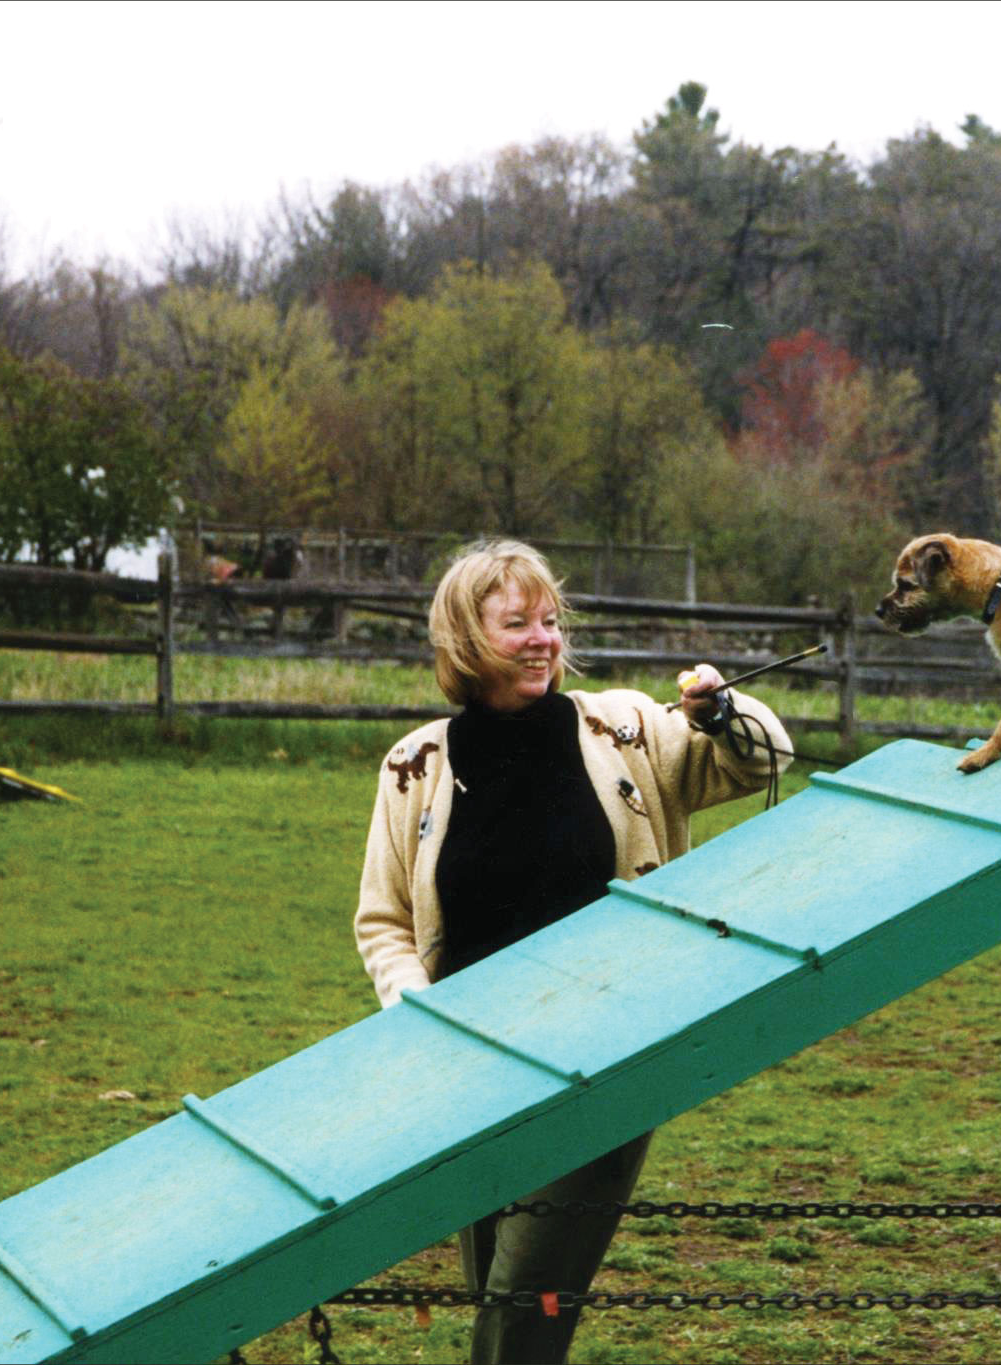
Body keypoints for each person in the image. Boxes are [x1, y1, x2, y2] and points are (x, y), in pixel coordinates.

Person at [353, 538, 791, 1364]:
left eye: (551, 621)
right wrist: (421, 1013)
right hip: (472, 1066)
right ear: (466, 638)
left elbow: (765, 758)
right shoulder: (414, 765)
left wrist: (718, 710)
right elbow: (384, 923)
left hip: (605, 1056)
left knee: (525, 1298)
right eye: (518, 622)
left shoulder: (622, 728)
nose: (543, 639)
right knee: (500, 1287)